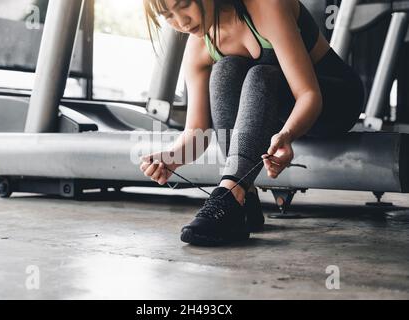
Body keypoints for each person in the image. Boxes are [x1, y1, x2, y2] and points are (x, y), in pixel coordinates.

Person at [139, 0, 364, 246]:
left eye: (184, 5)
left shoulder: (266, 6)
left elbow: (309, 95)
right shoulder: (198, 48)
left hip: (333, 100)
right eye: (167, 15)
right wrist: (172, 157)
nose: (181, 21)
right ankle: (244, 199)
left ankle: (229, 195)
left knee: (261, 75)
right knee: (225, 70)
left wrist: (288, 134)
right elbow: (198, 131)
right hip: (279, 113)